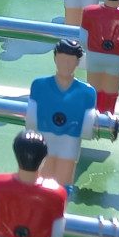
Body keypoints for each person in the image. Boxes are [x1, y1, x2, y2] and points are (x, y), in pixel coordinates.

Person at [25, 40, 95, 187]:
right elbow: (32, 117)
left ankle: (62, 199)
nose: (66, 65)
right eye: (62, 60)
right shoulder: (39, 86)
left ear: (78, 62)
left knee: (64, 180)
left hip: (70, 139)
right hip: (44, 136)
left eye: (71, 61)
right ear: (55, 59)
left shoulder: (87, 93)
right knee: (41, 178)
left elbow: (88, 121)